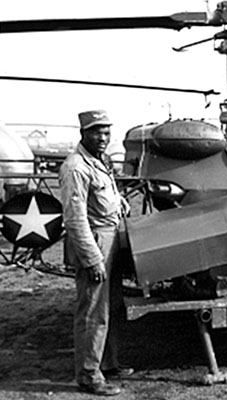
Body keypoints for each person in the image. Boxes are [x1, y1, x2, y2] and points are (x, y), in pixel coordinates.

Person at [59, 110, 132, 396]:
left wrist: (119, 201)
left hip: (111, 237)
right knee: (93, 312)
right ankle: (89, 376)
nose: (103, 138)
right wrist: (92, 259)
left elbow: (100, 196)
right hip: (95, 242)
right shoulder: (76, 166)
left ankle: (107, 364)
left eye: (106, 132)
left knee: (111, 306)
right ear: (83, 134)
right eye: (96, 132)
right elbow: (75, 218)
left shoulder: (97, 161)